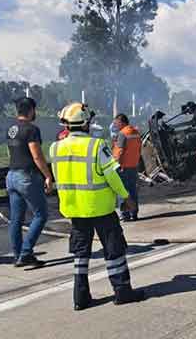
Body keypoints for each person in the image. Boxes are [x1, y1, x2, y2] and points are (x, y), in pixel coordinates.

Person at [49, 102, 145, 310]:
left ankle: (80, 298)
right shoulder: (96, 145)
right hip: (100, 208)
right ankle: (122, 291)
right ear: (85, 123)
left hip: (74, 209)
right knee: (114, 250)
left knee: (81, 254)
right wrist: (126, 197)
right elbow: (111, 175)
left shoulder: (55, 147)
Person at [6, 97, 53, 268]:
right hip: (27, 176)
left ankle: (18, 255)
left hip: (11, 175)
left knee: (16, 219)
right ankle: (26, 253)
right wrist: (48, 175)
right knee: (41, 215)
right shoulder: (31, 129)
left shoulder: (11, 129)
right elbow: (37, 155)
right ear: (31, 110)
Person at [112, 114, 142, 221]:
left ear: (122, 122)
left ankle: (125, 215)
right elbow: (139, 149)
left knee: (123, 191)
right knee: (133, 190)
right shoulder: (135, 132)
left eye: (116, 123)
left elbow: (119, 151)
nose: (115, 125)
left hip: (123, 167)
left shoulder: (122, 134)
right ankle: (134, 213)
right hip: (133, 166)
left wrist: (116, 164)